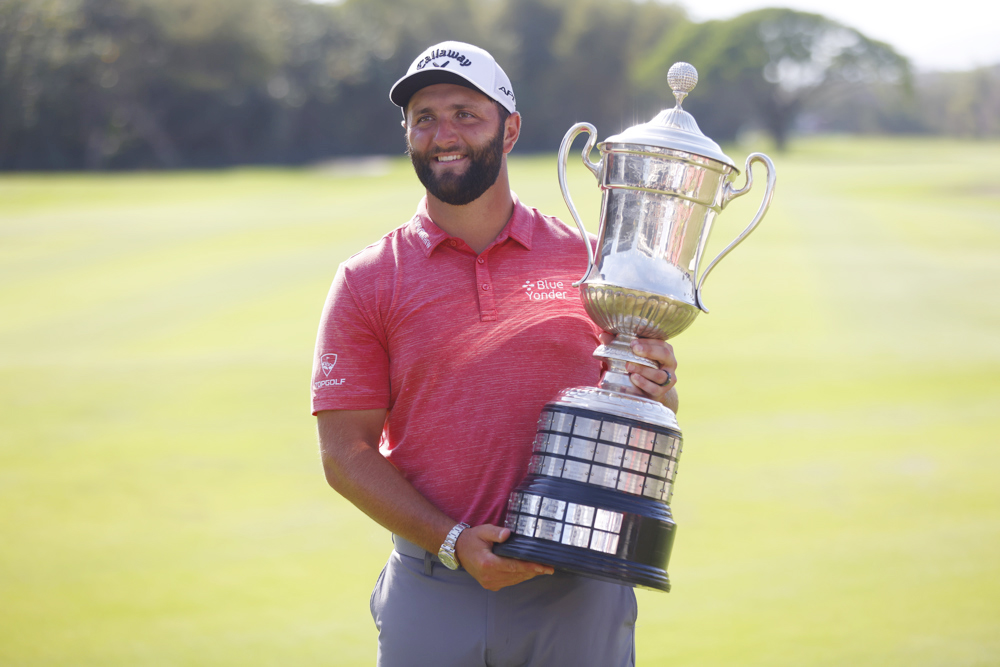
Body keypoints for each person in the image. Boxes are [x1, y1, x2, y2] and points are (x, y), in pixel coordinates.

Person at [311, 41, 679, 667]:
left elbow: (640, 405)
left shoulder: (596, 263)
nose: (442, 133)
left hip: (578, 587)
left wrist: (658, 390)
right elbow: (345, 454)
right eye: (423, 117)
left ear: (510, 130)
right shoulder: (368, 279)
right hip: (436, 584)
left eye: (465, 113)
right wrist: (453, 541)